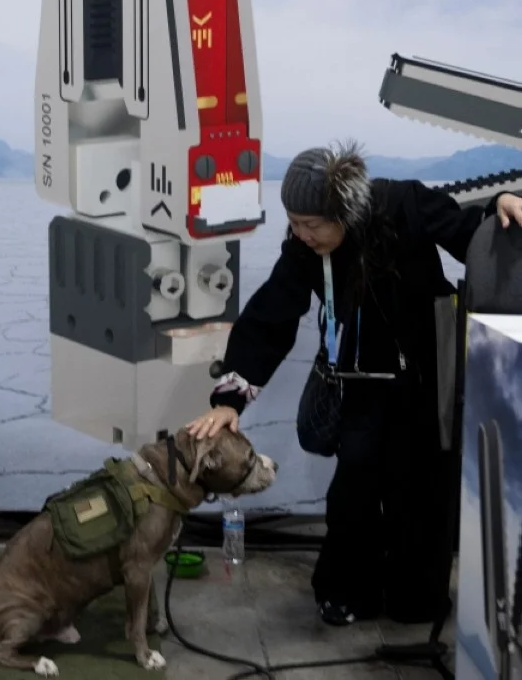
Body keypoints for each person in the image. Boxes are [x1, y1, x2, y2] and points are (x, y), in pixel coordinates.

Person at [186, 141, 522, 627]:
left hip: (429, 375)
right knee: (354, 489)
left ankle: (417, 597)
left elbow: (469, 232)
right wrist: (231, 399)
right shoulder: (304, 250)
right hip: (361, 379)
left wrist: (502, 203)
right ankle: (348, 592)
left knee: (424, 489)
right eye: (294, 223)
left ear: (343, 210)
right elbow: (272, 315)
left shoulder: (403, 202)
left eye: (312, 224)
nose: (300, 235)